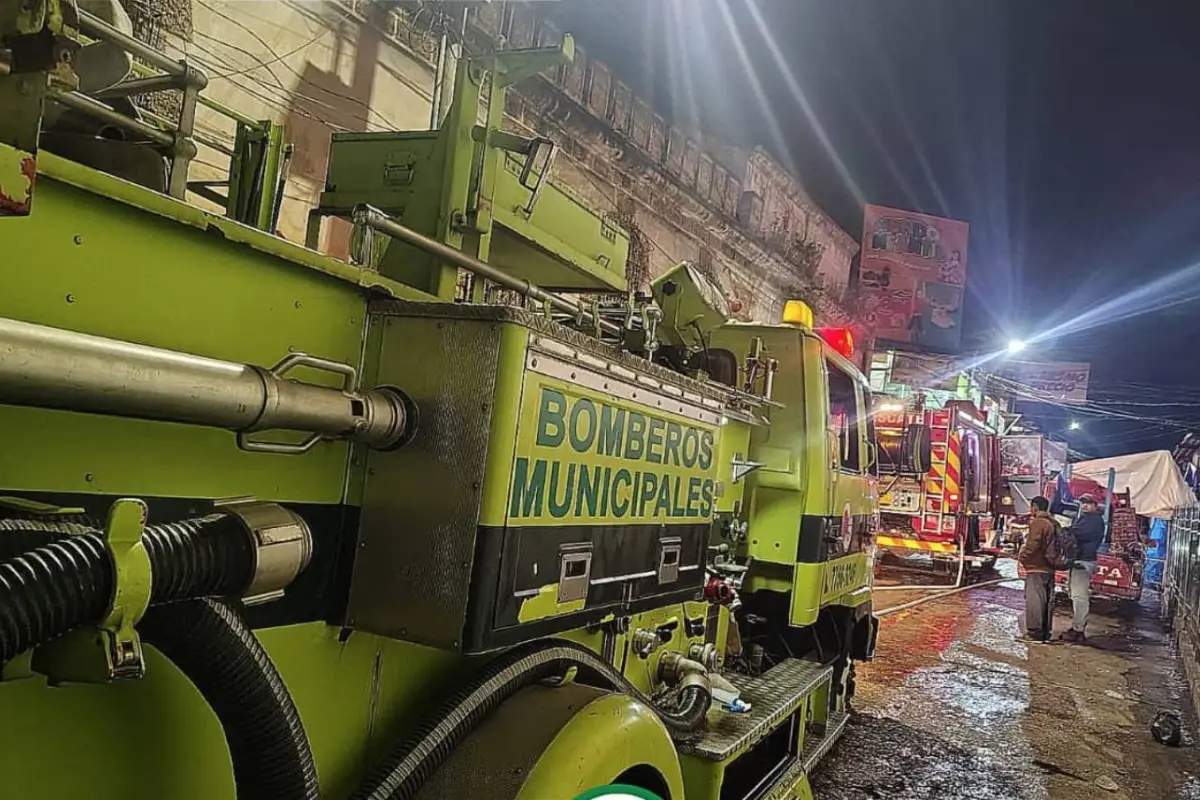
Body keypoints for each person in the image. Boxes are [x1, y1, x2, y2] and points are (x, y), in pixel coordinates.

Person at [1061, 495, 1105, 642]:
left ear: (1095, 505)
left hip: (1084, 561)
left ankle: (1078, 630)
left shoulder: (1094, 520)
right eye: (1082, 503)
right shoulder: (1086, 518)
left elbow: (1079, 533)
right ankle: (1077, 627)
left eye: (1088, 503)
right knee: (1075, 596)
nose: (1084, 506)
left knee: (1079, 597)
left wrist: (1066, 530)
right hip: (1079, 560)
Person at [1017, 496, 1056, 643]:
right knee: (1047, 601)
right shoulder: (1054, 522)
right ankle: (1046, 632)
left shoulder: (1038, 523)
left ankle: (1034, 633)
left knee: (1035, 600)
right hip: (1050, 567)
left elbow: (1032, 545)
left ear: (1034, 507)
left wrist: (1023, 557)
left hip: (1037, 566)